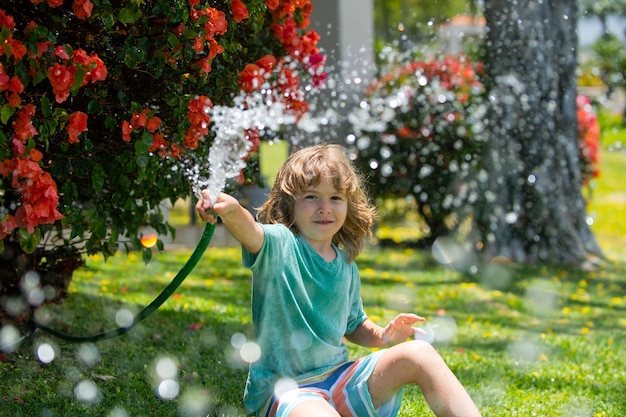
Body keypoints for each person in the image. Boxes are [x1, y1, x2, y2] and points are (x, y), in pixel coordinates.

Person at [196, 143, 482, 417]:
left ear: (348, 205)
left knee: (420, 353)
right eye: (311, 197)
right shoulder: (280, 244)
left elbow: (354, 324)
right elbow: (250, 231)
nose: (325, 207)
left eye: (335, 198)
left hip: (339, 380)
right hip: (289, 393)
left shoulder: (345, 264)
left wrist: (384, 335)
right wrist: (230, 209)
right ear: (290, 204)